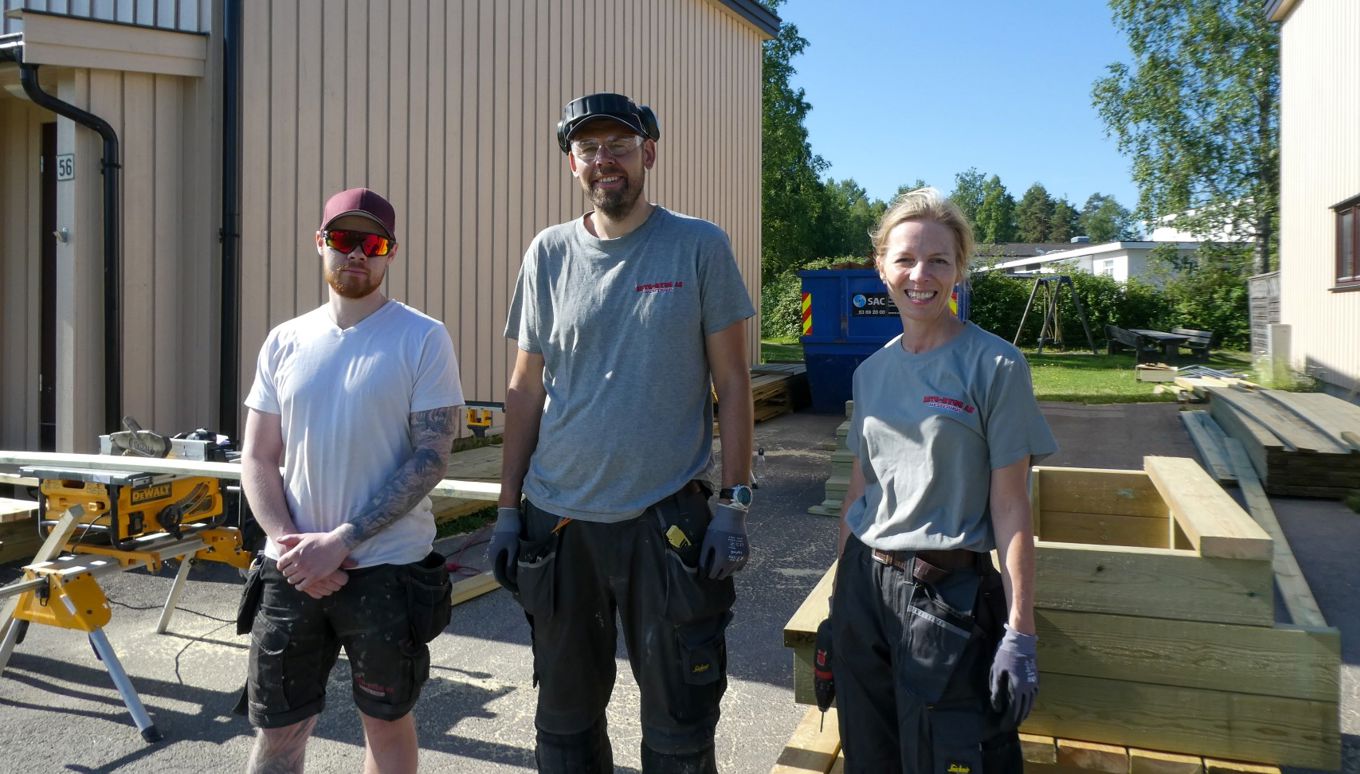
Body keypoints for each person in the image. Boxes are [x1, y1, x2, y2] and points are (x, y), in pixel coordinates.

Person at [489, 92, 756, 774]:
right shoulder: (547, 253)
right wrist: (508, 510)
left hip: (663, 525)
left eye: (619, 146)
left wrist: (734, 503)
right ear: (572, 162)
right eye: (588, 149)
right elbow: (524, 390)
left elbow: (732, 385)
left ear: (650, 153)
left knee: (679, 728)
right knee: (565, 727)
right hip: (559, 527)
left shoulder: (698, 245)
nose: (604, 160)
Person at [239, 187, 464, 773]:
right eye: (342, 240)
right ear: (320, 244)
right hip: (290, 571)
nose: (356, 254)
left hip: (386, 568)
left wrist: (338, 542)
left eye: (372, 243)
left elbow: (430, 458)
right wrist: (293, 549)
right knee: (279, 730)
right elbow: (259, 457)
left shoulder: (422, 337)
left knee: (385, 726)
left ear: (390, 253)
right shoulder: (285, 340)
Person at [830, 188, 1056, 773]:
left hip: (943, 599)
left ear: (959, 270)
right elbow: (860, 492)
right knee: (868, 755)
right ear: (881, 267)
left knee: (944, 758)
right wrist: (838, 606)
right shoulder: (872, 371)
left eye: (938, 260)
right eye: (904, 258)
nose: (920, 274)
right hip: (864, 586)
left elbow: (1011, 507)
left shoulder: (998, 366)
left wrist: (1020, 630)